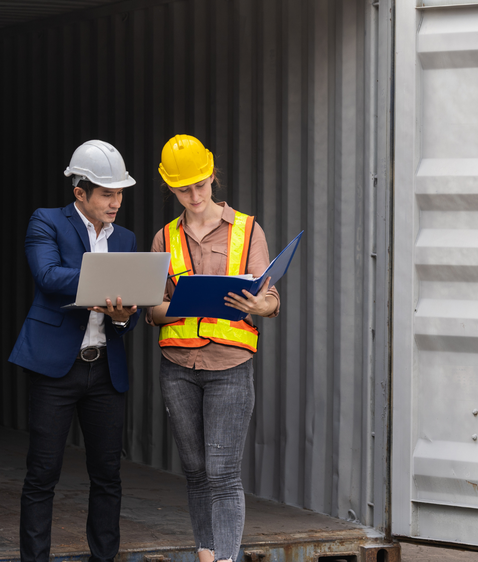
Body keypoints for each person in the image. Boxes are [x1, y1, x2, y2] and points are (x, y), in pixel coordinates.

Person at [147, 134, 280, 562]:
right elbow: (151, 310)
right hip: (178, 367)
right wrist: (177, 306)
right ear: (170, 188)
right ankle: (207, 554)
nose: (194, 194)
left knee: (223, 473)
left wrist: (261, 304)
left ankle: (224, 559)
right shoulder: (163, 238)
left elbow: (271, 300)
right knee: (196, 472)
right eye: (184, 188)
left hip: (230, 366)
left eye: (201, 184)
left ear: (212, 177)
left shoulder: (246, 230)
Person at [8, 140, 142, 562]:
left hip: (105, 369)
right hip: (55, 371)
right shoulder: (45, 222)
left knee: (108, 476)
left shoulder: (126, 238)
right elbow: (48, 276)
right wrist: (107, 282)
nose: (115, 202)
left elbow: (130, 313)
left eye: (120, 193)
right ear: (79, 192)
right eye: (107, 193)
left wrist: (123, 314)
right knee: (42, 473)